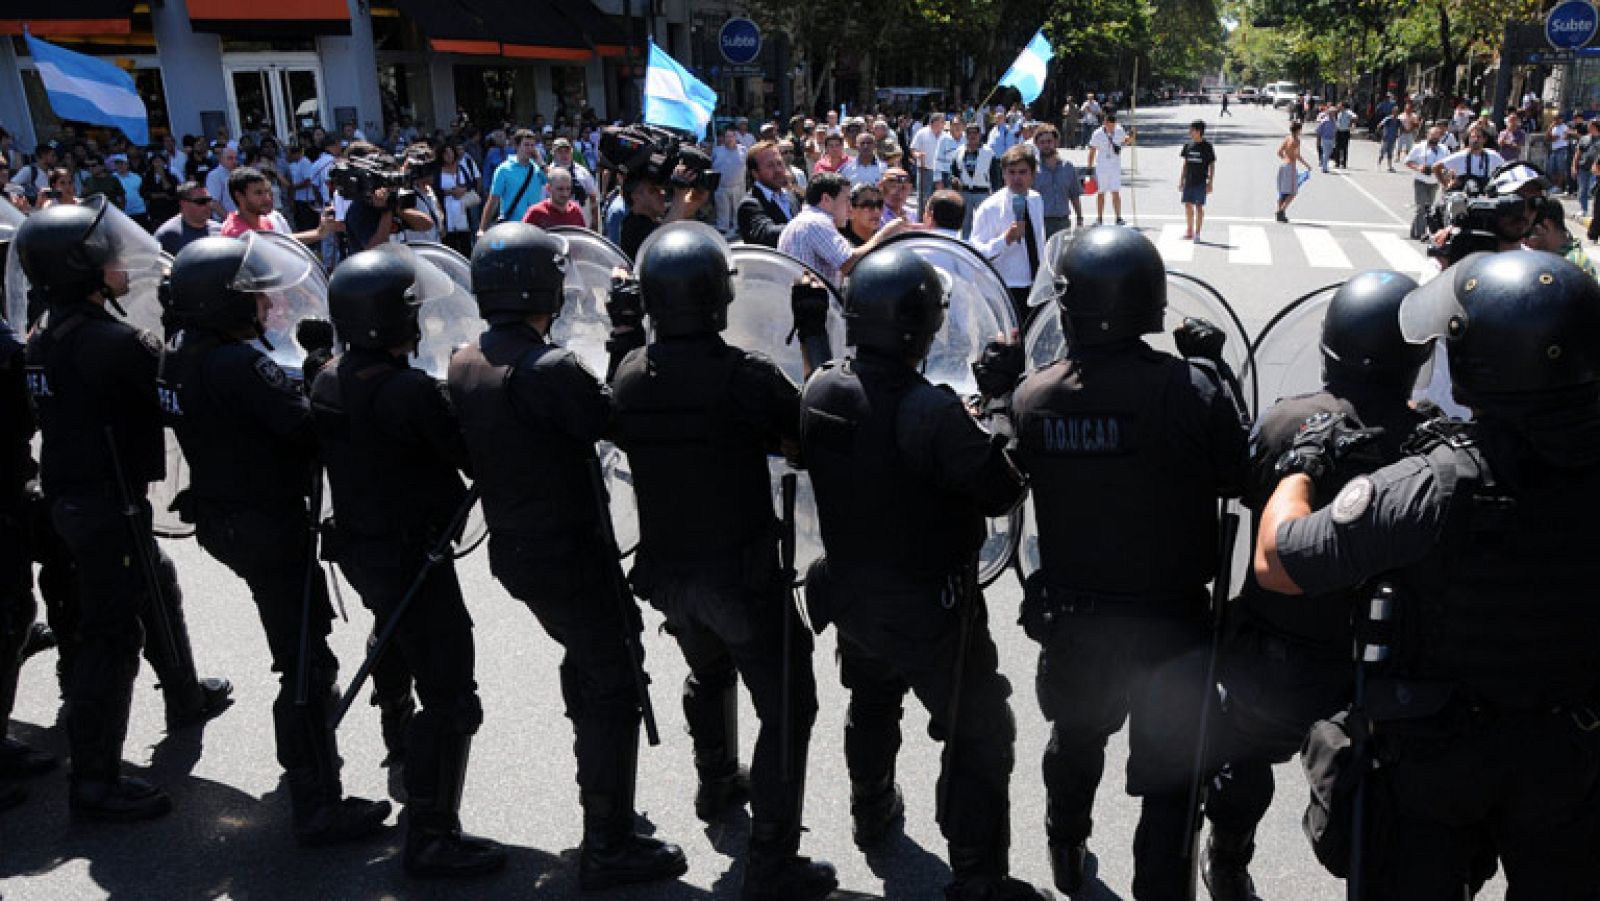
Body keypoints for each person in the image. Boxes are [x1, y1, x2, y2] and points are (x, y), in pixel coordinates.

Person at [1254, 249, 1600, 900]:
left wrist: (1298, 470)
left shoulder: (1437, 484)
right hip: (1568, 756)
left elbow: (1278, 561)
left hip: (1440, 760)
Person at [447, 222, 688, 890]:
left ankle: (604, 799)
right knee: (613, 679)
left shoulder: (466, 358)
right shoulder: (548, 367)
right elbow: (615, 416)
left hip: (520, 548)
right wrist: (624, 336)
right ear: (541, 286)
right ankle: (608, 841)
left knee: (590, 665)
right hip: (569, 551)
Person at [799, 246, 1044, 900]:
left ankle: (870, 806)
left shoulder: (822, 386)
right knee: (980, 727)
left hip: (850, 591)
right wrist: (997, 400)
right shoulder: (929, 411)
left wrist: (813, 332)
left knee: (872, 700)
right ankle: (975, 875)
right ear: (923, 326)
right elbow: (1001, 490)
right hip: (931, 606)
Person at [1012, 226, 1248, 897]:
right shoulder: (1192, 388)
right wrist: (1216, 369)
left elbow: (1003, 482)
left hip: (1078, 622)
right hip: (1170, 624)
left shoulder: (1035, 397)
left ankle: (1065, 840)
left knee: (1076, 740)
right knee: (1173, 777)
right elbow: (1242, 474)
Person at [609, 224, 838, 900]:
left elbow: (614, 412)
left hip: (667, 575)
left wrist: (622, 332)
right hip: (737, 576)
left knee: (708, 670)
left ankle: (716, 779)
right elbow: (816, 427)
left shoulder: (628, 375)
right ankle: (770, 862)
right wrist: (814, 333)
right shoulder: (744, 376)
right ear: (719, 299)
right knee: (789, 704)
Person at [1189, 270, 1430, 900]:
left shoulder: (1286, 422)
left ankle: (1229, 860)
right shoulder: (1428, 442)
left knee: (1240, 770)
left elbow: (1236, 485)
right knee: (1372, 796)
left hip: (1276, 651)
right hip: (1376, 664)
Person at [161, 235, 390, 845]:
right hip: (266, 523)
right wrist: (318, 369)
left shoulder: (178, 354)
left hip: (222, 516)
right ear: (223, 304)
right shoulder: (239, 364)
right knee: (306, 663)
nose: (265, 307)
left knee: (294, 649)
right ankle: (317, 801)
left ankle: (308, 775)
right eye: (253, 298)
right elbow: (304, 428)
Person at [19, 200, 231, 822]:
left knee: (155, 585)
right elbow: (178, 398)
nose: (119, 261)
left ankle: (186, 697)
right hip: (107, 505)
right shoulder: (114, 342)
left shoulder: (44, 332)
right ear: (81, 268)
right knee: (111, 639)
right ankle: (94, 782)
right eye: (105, 255)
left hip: (70, 498)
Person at [313, 247, 506, 877]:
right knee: (452, 694)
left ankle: (398, 741)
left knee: (391, 639)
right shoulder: (407, 390)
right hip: (412, 555)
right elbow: (472, 458)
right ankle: (431, 835)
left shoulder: (329, 375)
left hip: (362, 553)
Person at [777, 173, 907, 290]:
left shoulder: (806, 221)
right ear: (826, 199)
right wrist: (886, 234)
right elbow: (848, 263)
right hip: (814, 310)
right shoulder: (816, 222)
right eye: (846, 200)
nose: (850, 208)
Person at [971, 146, 1047, 323]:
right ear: (1003, 174)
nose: (1017, 178)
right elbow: (977, 252)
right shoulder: (990, 208)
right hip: (1007, 287)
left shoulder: (1036, 199)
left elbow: (1039, 240)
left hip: (1035, 285)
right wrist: (1005, 239)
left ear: (1032, 174)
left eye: (1022, 172)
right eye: (1011, 172)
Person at [220, 166, 332, 245]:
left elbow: (281, 241)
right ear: (239, 196)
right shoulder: (236, 233)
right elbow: (272, 246)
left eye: (267, 192)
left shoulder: (264, 220)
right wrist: (318, 233)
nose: (267, 198)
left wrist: (320, 232)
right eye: (258, 193)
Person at [477, 129, 546, 234]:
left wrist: (540, 162)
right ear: (516, 146)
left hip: (536, 226)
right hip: (512, 228)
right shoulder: (503, 169)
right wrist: (482, 229)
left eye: (532, 145)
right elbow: (493, 201)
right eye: (526, 145)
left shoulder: (538, 168)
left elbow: (553, 180)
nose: (530, 149)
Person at [737, 141, 795, 248]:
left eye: (779, 163)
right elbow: (766, 234)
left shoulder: (791, 196)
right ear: (755, 173)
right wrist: (803, 228)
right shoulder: (750, 204)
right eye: (770, 166)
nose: (778, 170)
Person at [1032, 125, 1083, 238]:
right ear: (1037, 144)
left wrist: (1079, 218)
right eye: (1042, 142)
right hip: (1040, 223)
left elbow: (1074, 195)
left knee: (1062, 255)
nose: (1046, 145)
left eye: (1049, 141)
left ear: (1056, 142)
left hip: (1063, 223)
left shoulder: (1068, 167)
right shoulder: (1031, 169)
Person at [1524, 196, 1596, 276]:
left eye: (1527, 233)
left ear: (1547, 225)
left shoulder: (1569, 267)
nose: (1523, 241)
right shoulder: (1554, 258)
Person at [950, 123, 997, 239]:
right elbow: (953, 170)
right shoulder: (959, 151)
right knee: (965, 224)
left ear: (980, 135)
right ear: (965, 135)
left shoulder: (989, 152)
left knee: (984, 222)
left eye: (975, 133)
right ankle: (966, 247)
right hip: (965, 192)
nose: (972, 136)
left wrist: (995, 193)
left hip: (983, 192)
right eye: (969, 133)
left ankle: (983, 246)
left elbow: (995, 175)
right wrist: (953, 179)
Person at [1086, 112, 1132, 225]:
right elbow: (1092, 150)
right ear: (1105, 123)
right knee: (1101, 192)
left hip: (1115, 166)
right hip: (1102, 166)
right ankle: (1099, 218)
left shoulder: (1119, 130)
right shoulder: (1097, 134)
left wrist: (1131, 136)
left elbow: (1125, 141)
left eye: (1113, 125)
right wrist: (1089, 167)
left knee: (1115, 192)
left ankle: (1118, 217)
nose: (1112, 128)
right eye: (1109, 125)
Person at [1404, 125, 1450, 239]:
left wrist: (1445, 175)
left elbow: (1448, 164)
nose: (1434, 138)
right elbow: (1408, 162)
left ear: (1440, 137)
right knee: (1422, 207)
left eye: (1436, 136)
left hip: (1435, 182)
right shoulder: (1419, 147)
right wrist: (1419, 168)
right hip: (1421, 181)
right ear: (1427, 135)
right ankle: (1420, 233)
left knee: (1428, 208)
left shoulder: (1444, 149)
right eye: (1432, 135)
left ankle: (1415, 231)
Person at [154, 181, 220, 256]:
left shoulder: (219, 229)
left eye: (209, 200)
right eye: (201, 202)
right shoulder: (167, 235)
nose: (208, 206)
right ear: (183, 203)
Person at [1435, 126, 1504, 194]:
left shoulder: (1493, 155)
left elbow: (1505, 169)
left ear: (1484, 139)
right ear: (1468, 139)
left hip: (1485, 197)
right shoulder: (1460, 156)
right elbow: (1436, 167)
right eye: (1472, 137)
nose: (1475, 140)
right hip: (1464, 199)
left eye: (1479, 137)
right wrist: (1446, 184)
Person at [1179, 119, 1216, 241]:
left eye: (1192, 130)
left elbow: (1212, 165)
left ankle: (1197, 233)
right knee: (1188, 205)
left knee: (1199, 207)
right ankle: (1189, 230)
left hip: (1200, 182)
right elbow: (1185, 164)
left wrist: (1210, 182)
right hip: (1189, 181)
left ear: (1199, 131)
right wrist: (1181, 180)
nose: (1189, 132)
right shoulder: (1188, 146)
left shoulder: (1207, 147)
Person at [710, 128, 747, 235]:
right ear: (723, 138)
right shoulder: (717, 150)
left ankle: (738, 226)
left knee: (738, 208)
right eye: (727, 137)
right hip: (721, 186)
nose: (729, 139)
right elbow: (711, 165)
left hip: (738, 185)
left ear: (735, 138)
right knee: (722, 209)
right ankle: (722, 226)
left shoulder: (743, 150)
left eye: (731, 136)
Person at [840, 182, 884, 247]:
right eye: (868, 205)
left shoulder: (886, 237)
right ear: (850, 210)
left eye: (879, 204)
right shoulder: (840, 245)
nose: (876, 210)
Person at [205, 144, 239, 218]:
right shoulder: (214, 175)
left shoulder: (237, 174)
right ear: (221, 160)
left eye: (235, 158)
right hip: (223, 221)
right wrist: (229, 220)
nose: (234, 161)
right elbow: (213, 202)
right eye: (230, 158)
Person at [1333, 102, 1355, 169]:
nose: (1338, 106)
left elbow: (1355, 116)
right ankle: (1337, 163)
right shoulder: (1339, 113)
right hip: (1338, 131)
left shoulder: (1348, 112)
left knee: (1344, 147)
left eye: (1339, 105)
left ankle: (1344, 163)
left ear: (1343, 106)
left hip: (1345, 132)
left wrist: (1352, 124)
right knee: (1337, 147)